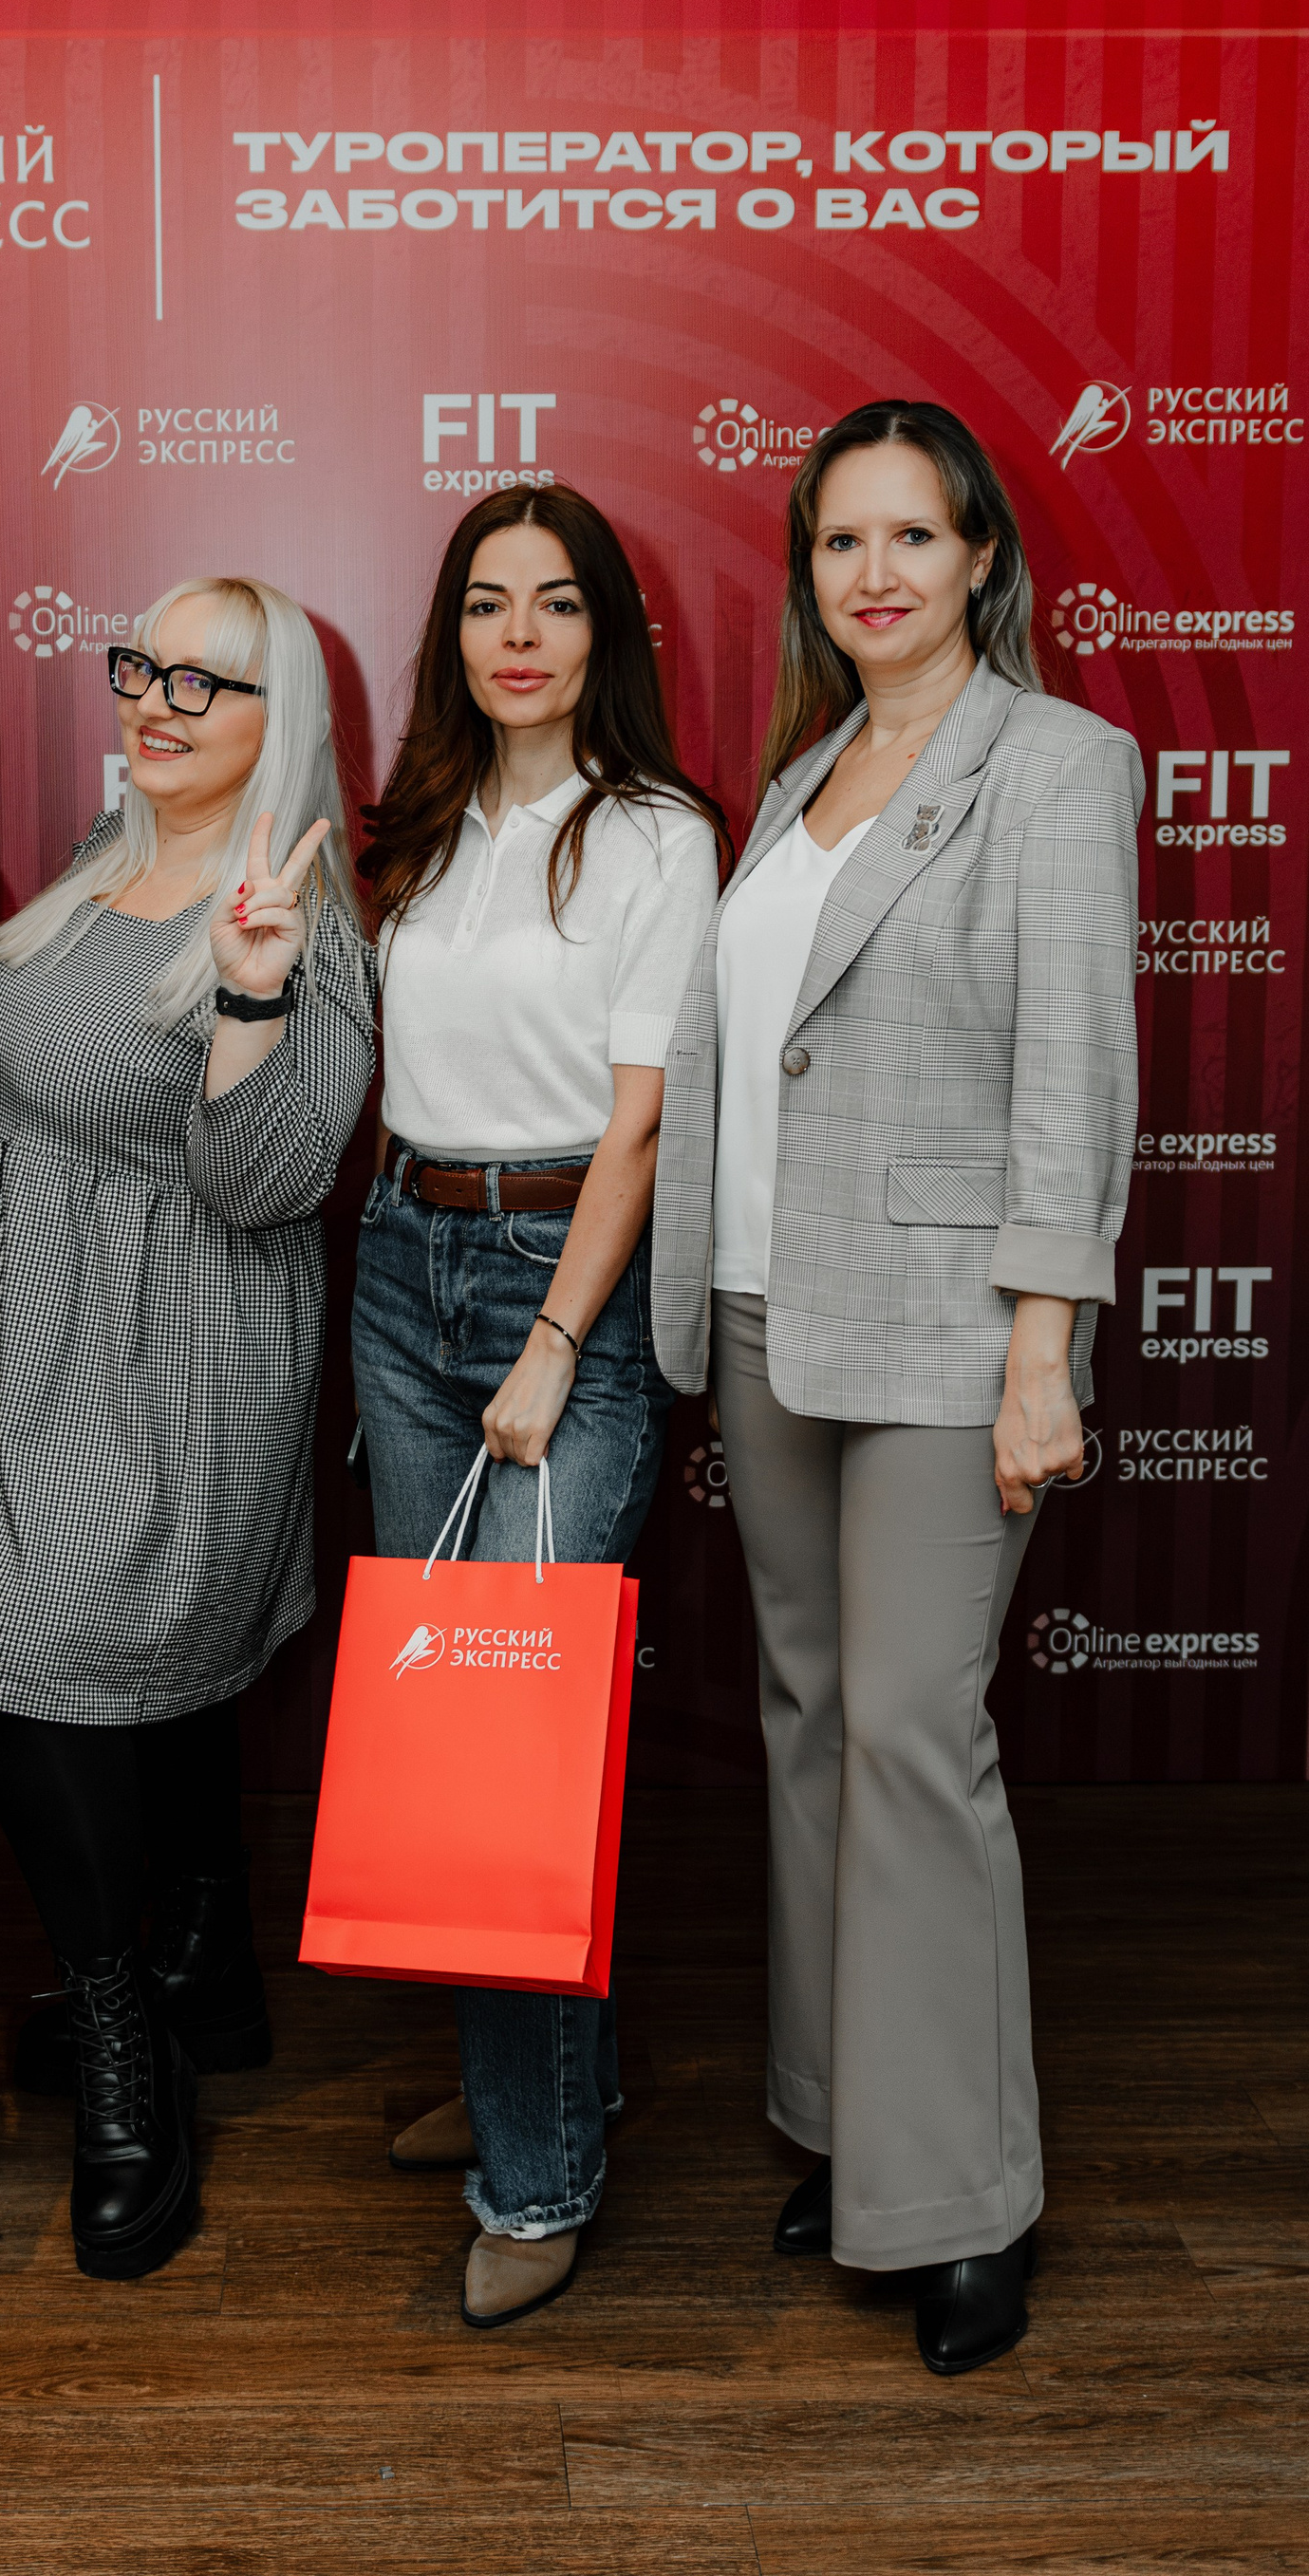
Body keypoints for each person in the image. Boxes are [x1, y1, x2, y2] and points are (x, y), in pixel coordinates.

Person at [651, 399, 1143, 2376]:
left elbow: (1073, 1071)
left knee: (916, 1739)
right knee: (810, 1720)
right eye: (840, 541)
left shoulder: (1058, 762)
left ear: (980, 559)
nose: (873, 575)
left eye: (912, 537)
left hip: (953, 1330)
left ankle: (961, 2204)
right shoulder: (803, 777)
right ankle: (850, 2126)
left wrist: (1044, 1346)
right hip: (769, 1310)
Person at [0, 577, 375, 2281]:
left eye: (211, 682)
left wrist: (251, 998)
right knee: (74, 1664)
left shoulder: (300, 920)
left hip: (168, 1359)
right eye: (146, 668)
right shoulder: (97, 866)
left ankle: (127, 2046)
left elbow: (270, 1186)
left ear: (282, 720)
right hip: (11, 1337)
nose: (160, 702)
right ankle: (206, 1973)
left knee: (59, 1658)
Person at [352, 481, 728, 2329]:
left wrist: (561, 1342)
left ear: (606, 634)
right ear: (455, 633)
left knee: (523, 1738)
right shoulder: (422, 825)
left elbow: (643, 1124)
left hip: (556, 1277)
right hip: (398, 1259)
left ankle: (539, 2174)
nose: (521, 634)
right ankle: (535, 2082)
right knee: (454, 1724)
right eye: (490, 602)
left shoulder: (658, 834)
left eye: (558, 602)